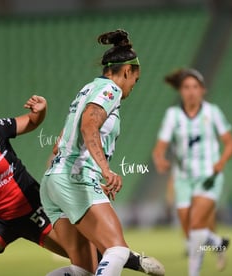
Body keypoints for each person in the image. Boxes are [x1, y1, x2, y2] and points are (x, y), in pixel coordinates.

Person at [0, 98, 164, 276]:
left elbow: (32, 122)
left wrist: (41, 110)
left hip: (34, 208)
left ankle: (132, 260)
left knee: (82, 257)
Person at [40, 29, 164, 276]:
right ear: (127, 71)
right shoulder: (110, 91)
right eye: (134, 81)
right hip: (75, 179)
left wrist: (67, 181)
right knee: (117, 249)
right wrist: (105, 171)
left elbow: (59, 144)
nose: (132, 87)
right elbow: (89, 125)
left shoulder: (87, 90)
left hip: (55, 180)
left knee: (84, 270)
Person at [152, 68, 232, 276]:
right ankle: (217, 243)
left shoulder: (212, 112)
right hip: (182, 179)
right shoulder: (173, 115)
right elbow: (159, 147)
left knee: (197, 226)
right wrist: (159, 159)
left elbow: (230, 143)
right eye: (186, 87)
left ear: (203, 90)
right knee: (190, 232)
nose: (191, 91)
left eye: (195, 87)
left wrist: (222, 161)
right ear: (181, 91)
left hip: (209, 176)